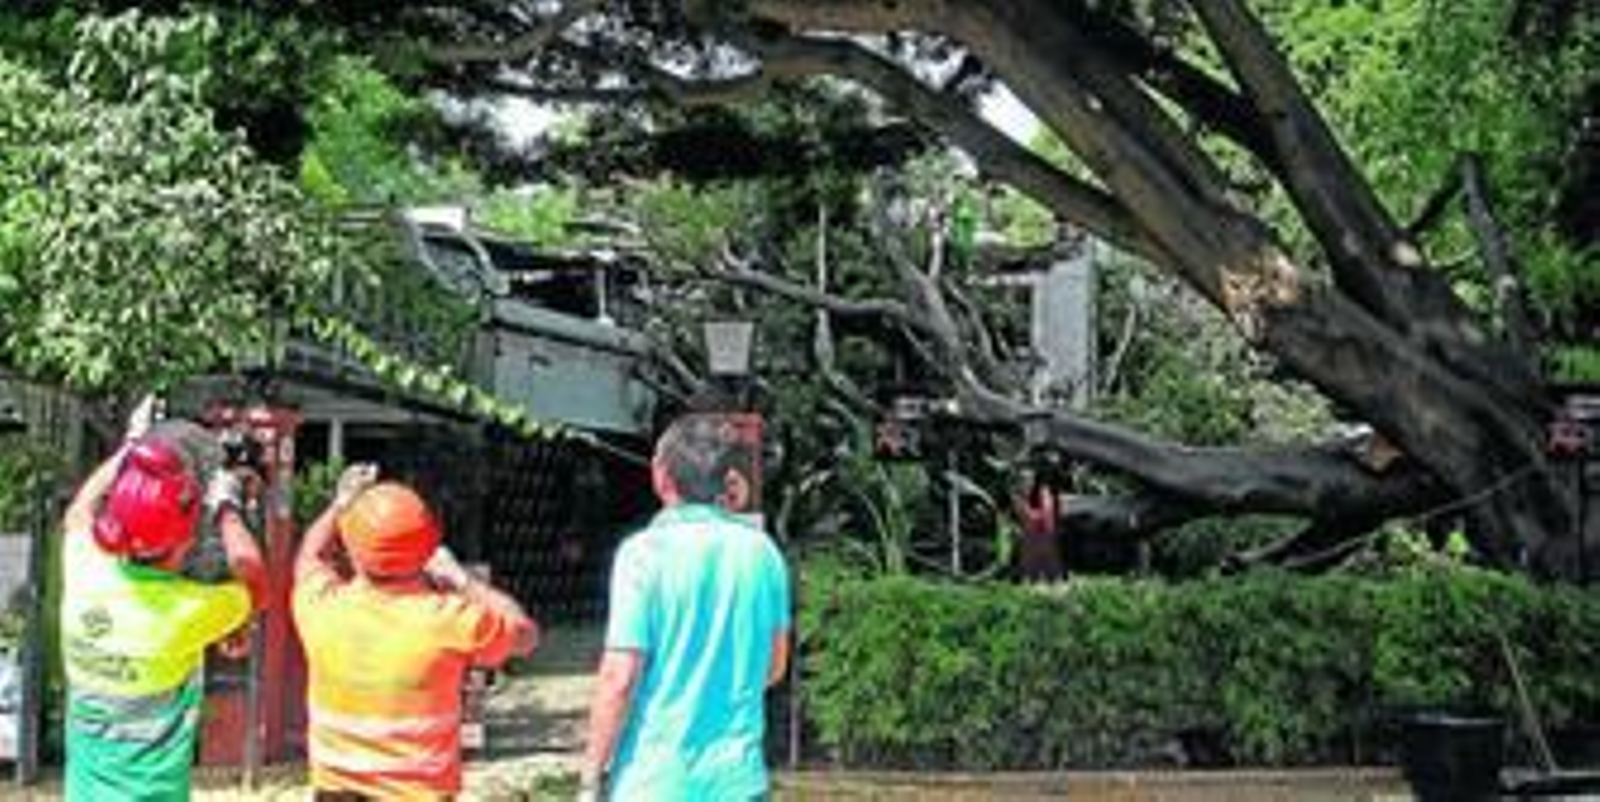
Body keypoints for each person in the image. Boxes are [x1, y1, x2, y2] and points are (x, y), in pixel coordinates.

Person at [60, 399, 267, 801]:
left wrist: (129, 449)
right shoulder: (184, 612)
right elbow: (255, 581)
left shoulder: (86, 570)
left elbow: (78, 513)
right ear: (186, 532)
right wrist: (227, 506)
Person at [580, 414, 792, 800]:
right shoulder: (763, 553)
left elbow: (619, 678)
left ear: (661, 477)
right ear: (729, 479)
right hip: (739, 782)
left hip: (654, 780)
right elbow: (774, 667)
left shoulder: (641, 555)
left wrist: (590, 778)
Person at [293, 468, 539, 800]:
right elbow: (525, 636)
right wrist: (462, 580)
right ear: (428, 551)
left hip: (335, 792)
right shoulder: (450, 620)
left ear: (352, 549)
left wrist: (340, 504)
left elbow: (310, 557)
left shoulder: (321, 607)